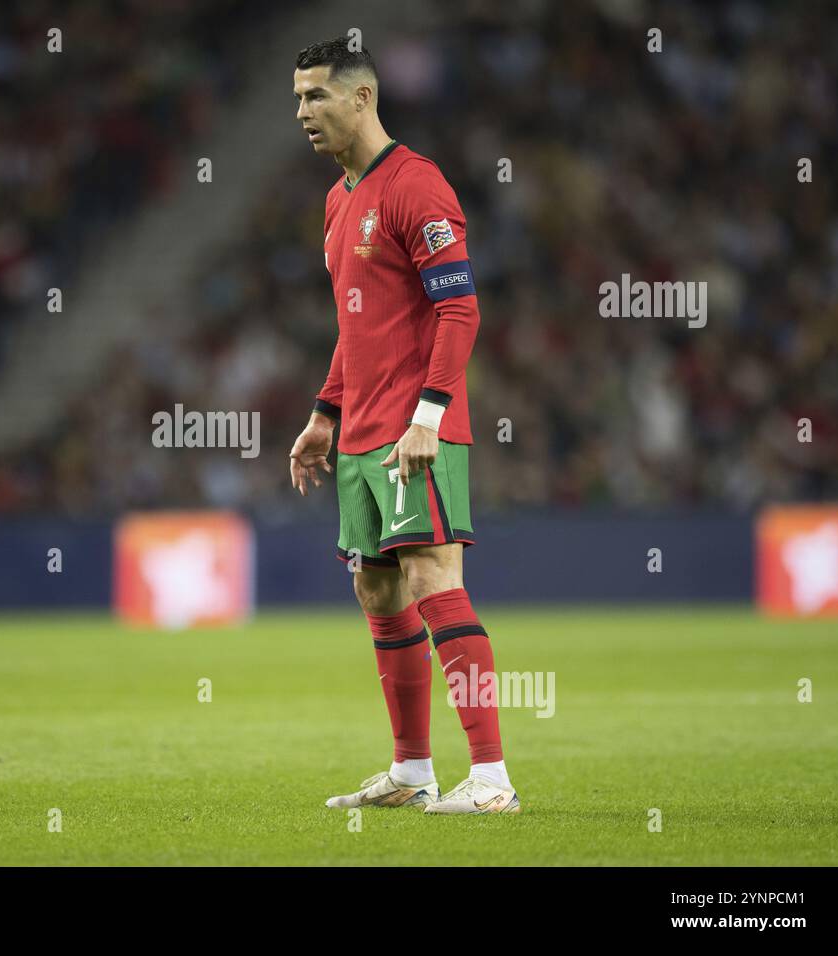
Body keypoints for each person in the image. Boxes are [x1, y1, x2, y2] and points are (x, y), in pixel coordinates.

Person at [288, 37, 519, 814]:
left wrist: (431, 413)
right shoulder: (337, 199)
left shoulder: (416, 186)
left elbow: (460, 307)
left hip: (416, 431)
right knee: (378, 590)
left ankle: (490, 779)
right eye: (296, 99)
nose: (303, 113)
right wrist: (325, 411)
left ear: (361, 98)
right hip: (358, 435)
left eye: (316, 96)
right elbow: (360, 325)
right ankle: (413, 770)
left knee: (432, 580)